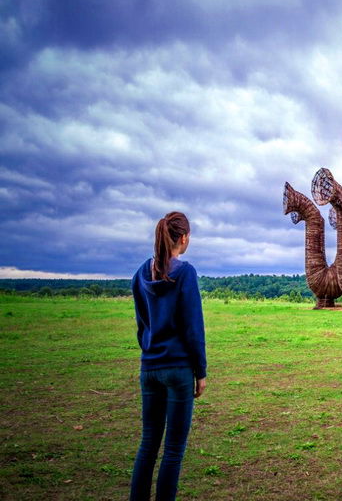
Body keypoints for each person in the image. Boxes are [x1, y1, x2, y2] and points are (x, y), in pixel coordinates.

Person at [130, 212, 207, 501]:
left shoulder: (140, 273)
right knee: (173, 450)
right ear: (184, 238)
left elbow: (142, 325)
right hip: (178, 370)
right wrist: (200, 371)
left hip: (149, 367)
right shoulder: (185, 272)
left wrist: (150, 350)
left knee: (148, 443)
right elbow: (193, 327)